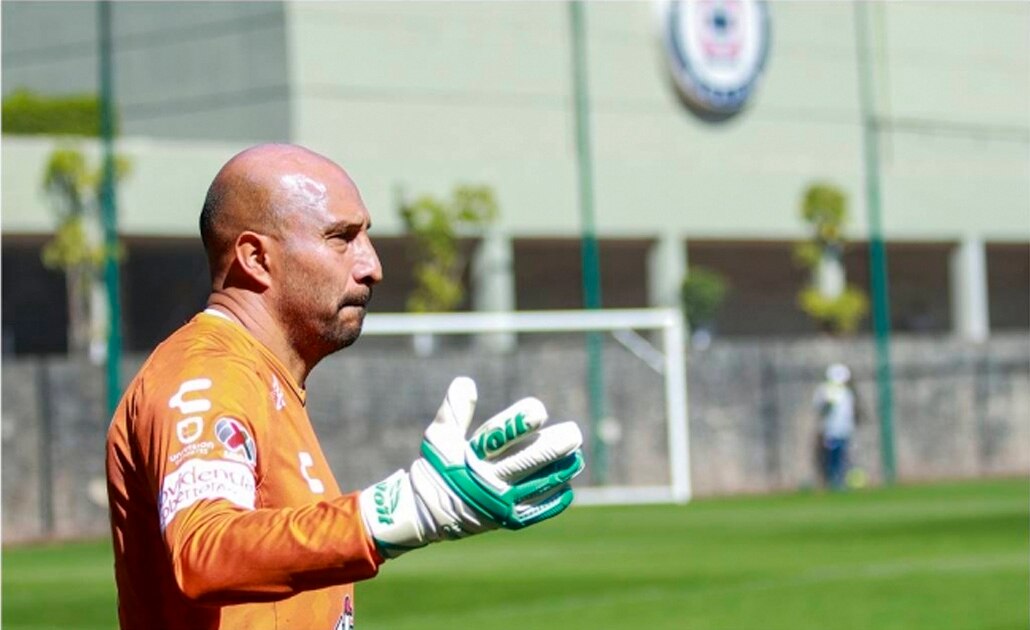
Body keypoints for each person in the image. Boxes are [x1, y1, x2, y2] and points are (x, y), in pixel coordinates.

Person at [105, 144, 585, 630]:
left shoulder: (266, 377)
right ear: (256, 257)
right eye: (341, 238)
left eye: (366, 236)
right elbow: (204, 552)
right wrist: (401, 511)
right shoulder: (206, 374)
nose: (372, 266)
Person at [812, 363, 858, 490]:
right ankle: (833, 480)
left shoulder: (847, 392)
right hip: (831, 430)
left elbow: (849, 413)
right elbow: (819, 408)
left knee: (844, 456)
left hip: (845, 429)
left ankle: (842, 479)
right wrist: (827, 405)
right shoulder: (824, 391)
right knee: (833, 456)